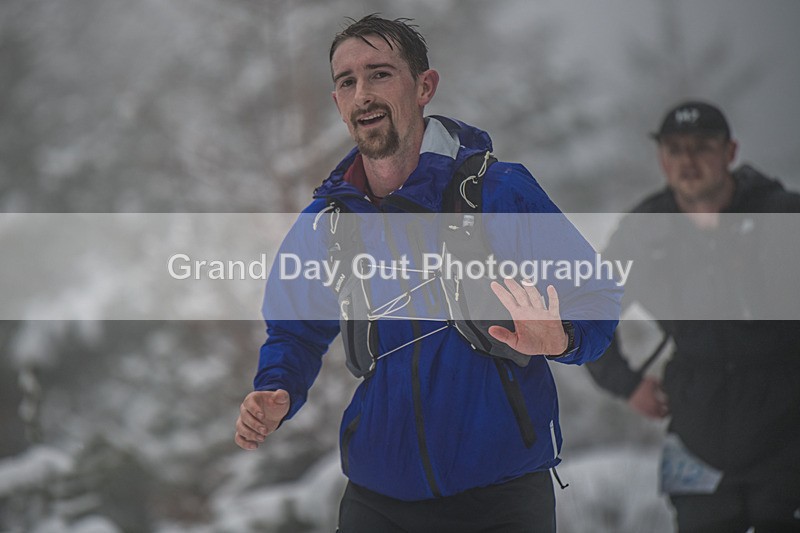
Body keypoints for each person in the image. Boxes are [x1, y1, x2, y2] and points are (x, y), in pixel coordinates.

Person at [235, 15, 621, 532]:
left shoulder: (498, 193)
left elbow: (594, 297)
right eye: (347, 81)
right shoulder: (328, 222)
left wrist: (562, 337)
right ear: (337, 103)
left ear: (424, 87)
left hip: (500, 496)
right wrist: (277, 388)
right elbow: (293, 329)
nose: (363, 93)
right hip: (378, 498)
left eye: (379, 74)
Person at [586, 101, 800, 532]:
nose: (688, 161)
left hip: (787, 436)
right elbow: (589, 310)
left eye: (702, 148)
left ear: (730, 152)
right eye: (675, 149)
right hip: (696, 436)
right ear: (662, 157)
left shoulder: (782, 215)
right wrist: (626, 384)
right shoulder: (645, 229)